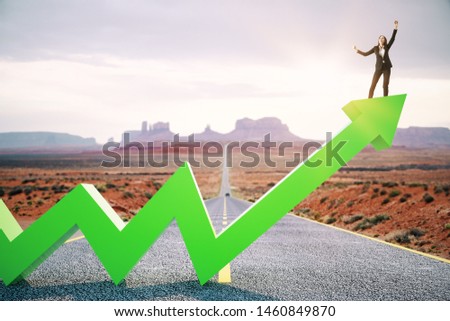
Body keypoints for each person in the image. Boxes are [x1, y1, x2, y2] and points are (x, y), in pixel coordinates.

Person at [353, 20, 398, 98]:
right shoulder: (375, 48)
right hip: (378, 68)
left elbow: (393, 38)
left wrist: (395, 27)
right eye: (380, 38)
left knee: (385, 85)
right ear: (378, 40)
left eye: (383, 38)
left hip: (387, 67)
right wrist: (357, 50)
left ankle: (385, 100)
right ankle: (369, 100)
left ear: (384, 40)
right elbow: (365, 54)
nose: (381, 39)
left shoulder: (387, 47)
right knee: (373, 84)